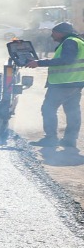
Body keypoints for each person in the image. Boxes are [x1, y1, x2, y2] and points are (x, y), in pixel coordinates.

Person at [30, 21, 84, 152]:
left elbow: (66, 60)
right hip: (75, 83)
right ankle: (70, 140)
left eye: (53, 32)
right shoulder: (79, 41)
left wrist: (39, 63)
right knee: (72, 111)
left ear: (61, 33)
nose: (52, 35)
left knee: (48, 109)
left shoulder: (70, 42)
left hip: (62, 83)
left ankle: (51, 139)